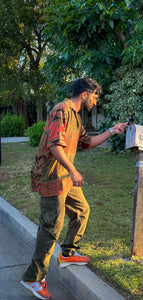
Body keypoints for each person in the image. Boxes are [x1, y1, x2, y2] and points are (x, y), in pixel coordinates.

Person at [20, 78, 127, 299]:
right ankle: (33, 278)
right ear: (86, 94)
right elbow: (54, 145)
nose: (96, 102)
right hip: (52, 177)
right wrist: (72, 170)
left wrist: (112, 130)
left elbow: (87, 143)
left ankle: (67, 253)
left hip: (64, 178)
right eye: (95, 97)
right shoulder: (62, 110)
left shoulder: (76, 117)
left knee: (81, 211)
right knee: (51, 227)